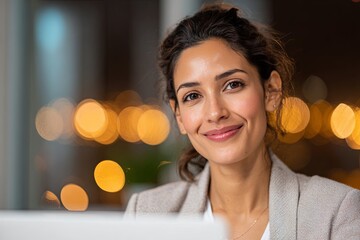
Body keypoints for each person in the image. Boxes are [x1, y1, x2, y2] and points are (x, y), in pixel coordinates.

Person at [125, 3, 360, 239]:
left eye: (232, 85)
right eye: (193, 96)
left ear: (271, 91)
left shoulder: (335, 213)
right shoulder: (147, 215)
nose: (215, 112)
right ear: (179, 116)